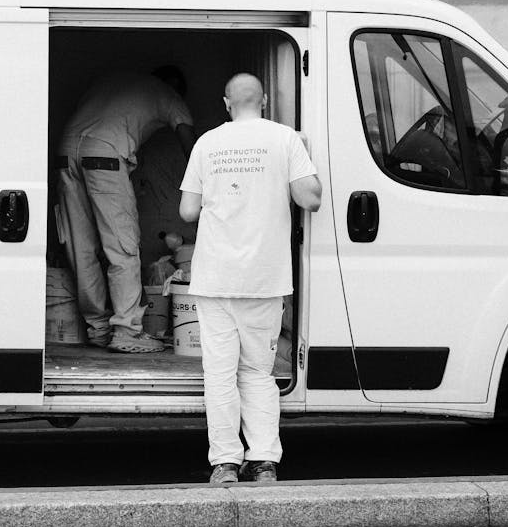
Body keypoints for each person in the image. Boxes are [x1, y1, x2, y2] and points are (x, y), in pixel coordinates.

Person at [178, 73, 322, 483]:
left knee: (219, 373)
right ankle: (263, 462)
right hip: (264, 277)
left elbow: (188, 211)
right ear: (263, 102)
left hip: (215, 277)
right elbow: (309, 197)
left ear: (226, 103)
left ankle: (224, 462)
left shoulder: (207, 143)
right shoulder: (284, 139)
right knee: (258, 372)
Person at [58, 67, 196, 353]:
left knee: (81, 247)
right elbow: (191, 146)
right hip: (104, 154)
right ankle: (126, 331)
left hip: (65, 149)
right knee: (122, 245)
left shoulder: (113, 80)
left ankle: (98, 328)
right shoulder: (169, 95)